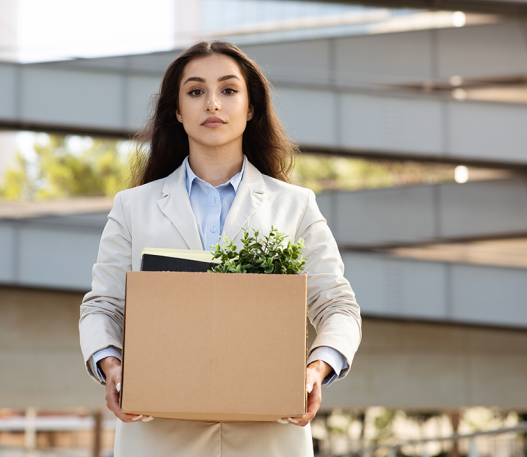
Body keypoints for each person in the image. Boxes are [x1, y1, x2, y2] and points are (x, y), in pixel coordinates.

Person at [79, 41, 361, 457]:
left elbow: (337, 305)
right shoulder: (132, 207)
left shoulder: (295, 205)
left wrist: (315, 370)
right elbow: (102, 306)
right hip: (159, 435)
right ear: (177, 111)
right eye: (195, 92)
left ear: (251, 108)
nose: (212, 103)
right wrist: (112, 367)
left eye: (228, 90)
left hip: (268, 435)